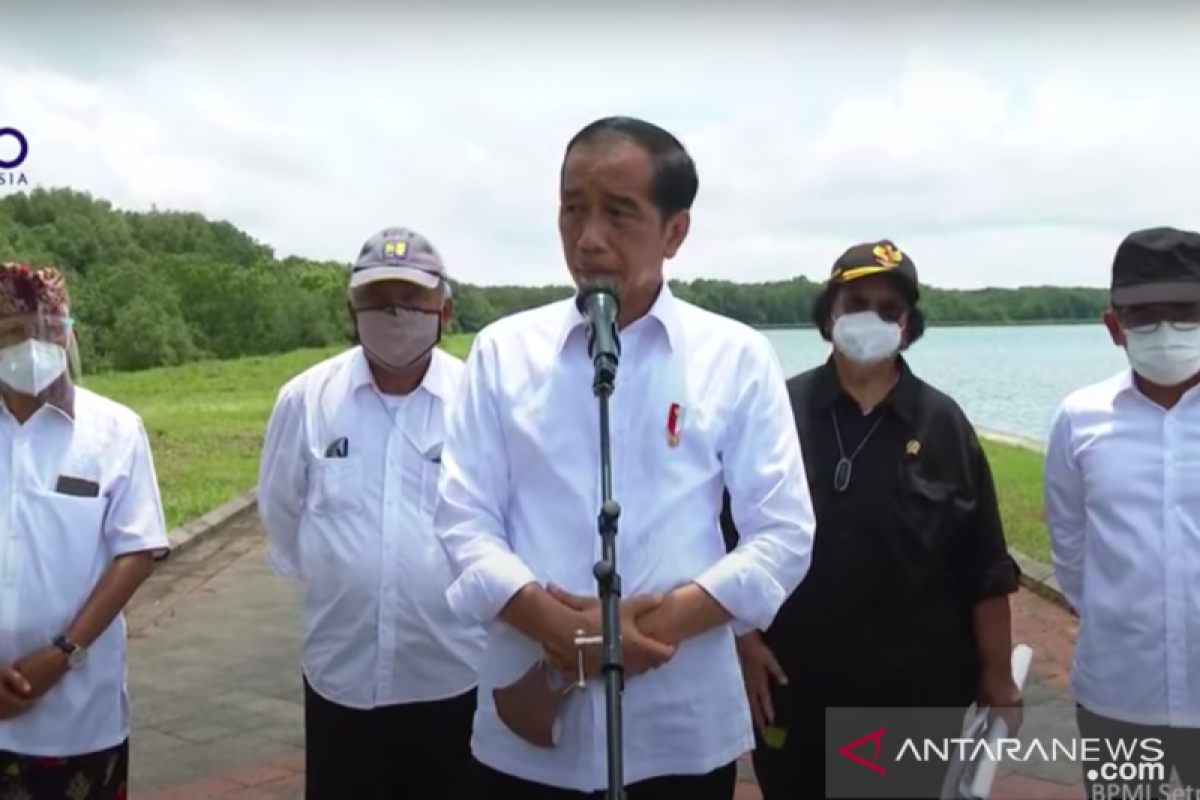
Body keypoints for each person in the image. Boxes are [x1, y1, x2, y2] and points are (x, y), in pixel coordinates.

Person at [434, 116, 816, 799]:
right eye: (572, 209)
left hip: (680, 727)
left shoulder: (734, 356)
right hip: (528, 727)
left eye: (618, 214)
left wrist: (643, 631)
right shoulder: (502, 351)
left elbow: (783, 533)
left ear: (675, 231)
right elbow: (463, 520)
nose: (588, 239)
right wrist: (559, 630)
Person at [728, 242, 1023, 800]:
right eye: (856, 301)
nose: (872, 318)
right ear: (829, 313)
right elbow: (726, 535)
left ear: (908, 325)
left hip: (910, 694)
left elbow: (984, 564)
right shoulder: (775, 414)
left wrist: (999, 676)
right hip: (793, 685)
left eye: (889, 309)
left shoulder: (943, 425)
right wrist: (742, 640)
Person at [257, 228, 485, 800]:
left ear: (445, 309)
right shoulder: (307, 399)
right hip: (342, 676)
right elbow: (283, 513)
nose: (396, 315)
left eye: (411, 301)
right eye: (379, 301)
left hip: (453, 674)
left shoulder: (478, 403)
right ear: (351, 307)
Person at [0, 261, 169, 799]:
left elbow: (135, 552)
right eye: (10, 331)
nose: (29, 344)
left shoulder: (113, 430)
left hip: (79, 717)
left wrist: (62, 654)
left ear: (68, 331)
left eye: (46, 328)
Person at [1044, 227, 1200, 797]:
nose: (1166, 331)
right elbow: (1070, 542)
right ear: (1114, 326)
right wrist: (1119, 614)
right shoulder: (1080, 419)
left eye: (1185, 312)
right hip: (1119, 697)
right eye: (1144, 316)